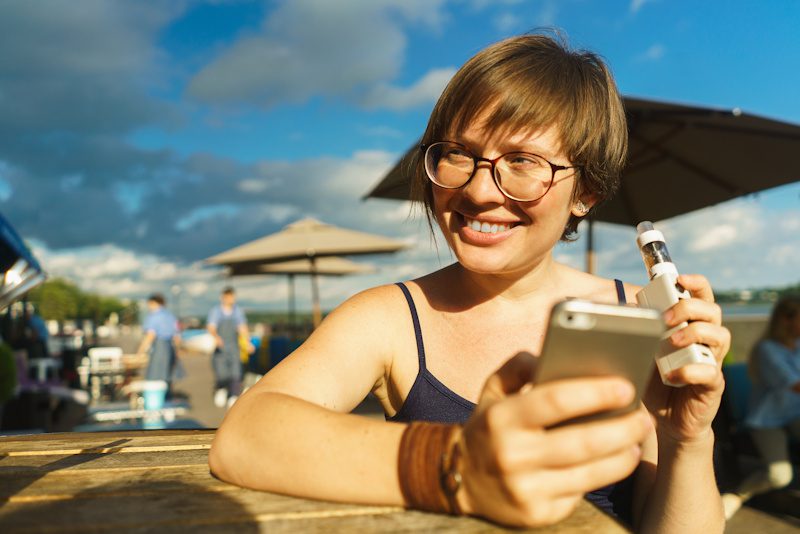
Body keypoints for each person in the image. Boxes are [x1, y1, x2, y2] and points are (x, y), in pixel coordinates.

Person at [209, 32, 730, 531]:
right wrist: (460, 467)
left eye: (523, 161)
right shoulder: (390, 318)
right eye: (458, 152)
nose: (479, 190)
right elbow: (245, 437)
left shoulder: (638, 320)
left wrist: (687, 438)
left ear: (586, 193)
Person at [721, 295, 800, 518]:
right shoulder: (767, 350)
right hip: (767, 419)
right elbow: (794, 385)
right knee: (779, 475)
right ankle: (739, 494)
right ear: (785, 320)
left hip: (794, 413)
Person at [207, 286, 253, 408]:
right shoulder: (216, 311)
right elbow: (211, 327)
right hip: (220, 346)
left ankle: (233, 395)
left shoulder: (237, 311)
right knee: (221, 372)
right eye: (228, 297)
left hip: (233, 345)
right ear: (223, 297)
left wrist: (247, 342)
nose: (230, 299)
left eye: (232, 297)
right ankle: (221, 389)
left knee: (236, 371)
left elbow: (242, 328)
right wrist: (216, 337)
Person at [136, 293, 182, 394]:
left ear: (154, 303)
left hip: (159, 348)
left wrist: (140, 352)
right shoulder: (170, 316)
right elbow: (177, 336)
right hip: (170, 347)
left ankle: (156, 401)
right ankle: (167, 397)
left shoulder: (153, 316)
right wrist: (177, 351)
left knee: (156, 376)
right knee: (167, 376)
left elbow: (150, 335)